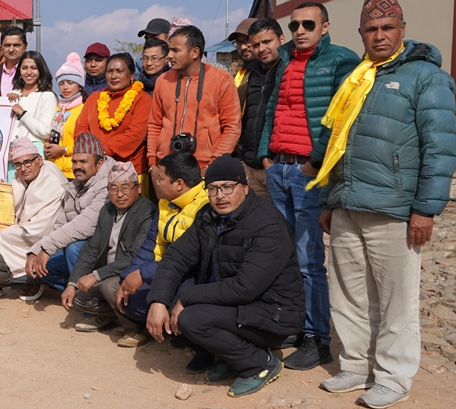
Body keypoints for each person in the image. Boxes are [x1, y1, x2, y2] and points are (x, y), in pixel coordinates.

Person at [313, 0, 456, 408]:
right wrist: (328, 199)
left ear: (403, 29)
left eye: (387, 28)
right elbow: (333, 141)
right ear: (360, 33)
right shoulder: (355, 77)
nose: (379, 36)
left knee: (396, 298)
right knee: (349, 293)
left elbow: (441, 148)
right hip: (346, 204)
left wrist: (425, 210)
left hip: (393, 209)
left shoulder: (426, 78)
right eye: (371, 29)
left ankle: (393, 376)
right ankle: (357, 365)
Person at [146, 155, 305, 399]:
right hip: (240, 305)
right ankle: (230, 357)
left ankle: (259, 363)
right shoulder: (209, 216)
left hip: (275, 312)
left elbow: (245, 288)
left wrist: (186, 298)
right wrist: (157, 301)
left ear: (244, 187)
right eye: (212, 188)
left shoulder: (267, 224)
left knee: (191, 318)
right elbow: (176, 257)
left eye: (227, 187)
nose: (220, 195)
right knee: (169, 297)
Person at [257, 2, 359, 370]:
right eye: (295, 24)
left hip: (308, 174)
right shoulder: (285, 60)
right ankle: (293, 325)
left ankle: (317, 337)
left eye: (308, 24)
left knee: (307, 258)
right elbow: (273, 110)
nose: (300, 29)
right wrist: (265, 155)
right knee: (283, 256)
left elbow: (339, 117)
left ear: (325, 26)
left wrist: (314, 162)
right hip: (278, 168)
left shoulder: (340, 61)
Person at [0, 138, 66, 301]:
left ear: (39, 160)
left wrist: (2, 233)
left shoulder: (52, 184)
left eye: (27, 162)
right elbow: (9, 208)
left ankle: (34, 279)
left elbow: (38, 232)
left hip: (35, 245)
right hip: (15, 235)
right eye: (18, 164)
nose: (23, 168)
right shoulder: (21, 178)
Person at [61, 162, 155, 343]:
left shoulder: (147, 211)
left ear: (139, 188)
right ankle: (117, 317)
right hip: (109, 272)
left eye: (125, 188)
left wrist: (96, 275)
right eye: (114, 189)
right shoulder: (107, 210)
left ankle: (136, 329)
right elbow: (91, 249)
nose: (120, 194)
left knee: (108, 286)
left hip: (132, 276)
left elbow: (134, 257)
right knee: (79, 296)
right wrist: (72, 283)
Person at [115, 152, 209, 331]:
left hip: (193, 276)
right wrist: (129, 277)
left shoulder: (205, 209)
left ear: (179, 184)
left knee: (177, 310)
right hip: (165, 271)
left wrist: (144, 273)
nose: (156, 183)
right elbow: (150, 245)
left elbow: (192, 261)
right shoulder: (166, 202)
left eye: (161, 179)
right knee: (124, 294)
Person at [25, 133, 113, 300]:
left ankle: (91, 303)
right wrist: (37, 250)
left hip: (107, 250)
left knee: (74, 248)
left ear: (100, 163)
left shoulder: (109, 183)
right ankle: (80, 289)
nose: (77, 166)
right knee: (39, 269)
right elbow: (62, 223)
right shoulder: (76, 184)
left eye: (83, 162)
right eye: (74, 161)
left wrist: (47, 248)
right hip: (84, 246)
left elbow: (85, 224)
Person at [147, 25, 241, 171]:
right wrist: (153, 164)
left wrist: (214, 164)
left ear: (195, 52)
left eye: (175, 50)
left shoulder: (221, 79)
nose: (169, 56)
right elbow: (154, 124)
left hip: (205, 167)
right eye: (169, 50)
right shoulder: (162, 80)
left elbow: (232, 127)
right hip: (166, 167)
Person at [74, 53, 152, 178]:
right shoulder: (95, 98)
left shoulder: (142, 99)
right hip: (95, 169)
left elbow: (135, 134)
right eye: (110, 71)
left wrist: (104, 151)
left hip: (128, 171)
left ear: (132, 75)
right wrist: (91, 152)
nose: (114, 76)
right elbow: (80, 128)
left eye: (119, 71)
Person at [235, 18, 285, 198]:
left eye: (266, 42)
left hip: (276, 165)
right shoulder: (251, 74)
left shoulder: (289, 70)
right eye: (255, 44)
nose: (260, 48)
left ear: (281, 39)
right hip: (249, 166)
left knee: (282, 223)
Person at [5, 51, 56, 180]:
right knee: (12, 195)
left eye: (34, 68)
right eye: (24, 68)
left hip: (32, 153)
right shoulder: (12, 95)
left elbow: (44, 131)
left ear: (41, 71)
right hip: (10, 154)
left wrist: (22, 113)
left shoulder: (47, 96)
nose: (28, 72)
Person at [44, 52, 86, 178]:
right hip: (53, 171)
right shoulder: (57, 107)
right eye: (61, 83)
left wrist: (63, 150)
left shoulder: (84, 108)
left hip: (74, 173)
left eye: (70, 82)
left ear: (79, 86)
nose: (65, 87)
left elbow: (86, 145)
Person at [228, 18, 258, 110]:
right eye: (238, 42)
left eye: (247, 40)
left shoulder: (272, 74)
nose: (242, 47)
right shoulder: (239, 76)